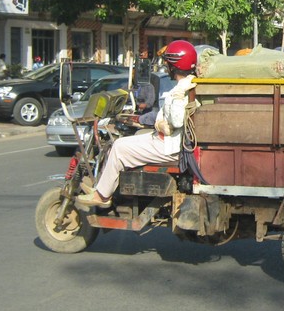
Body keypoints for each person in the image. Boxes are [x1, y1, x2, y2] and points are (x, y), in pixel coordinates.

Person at [77, 40, 197, 210]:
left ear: (173, 65)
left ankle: (102, 195)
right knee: (130, 141)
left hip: (170, 147)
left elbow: (177, 120)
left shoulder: (183, 88)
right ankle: (106, 187)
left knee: (119, 147)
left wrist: (173, 103)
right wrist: (153, 122)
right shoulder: (189, 83)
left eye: (168, 63)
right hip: (169, 142)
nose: (166, 67)